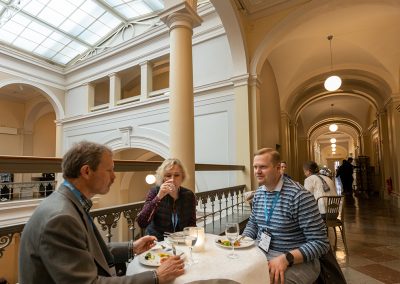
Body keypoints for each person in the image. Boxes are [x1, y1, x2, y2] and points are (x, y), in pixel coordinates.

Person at [19, 141, 184, 284]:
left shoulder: (69, 202)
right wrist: (156, 277)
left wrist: (131, 248)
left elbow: (87, 250)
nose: (114, 177)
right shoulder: (61, 218)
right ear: (86, 171)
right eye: (109, 170)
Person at [243, 148, 330, 284]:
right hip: (261, 253)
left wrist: (286, 258)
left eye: (263, 167)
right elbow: (253, 224)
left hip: (294, 259)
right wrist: (243, 240)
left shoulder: (299, 196)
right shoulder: (259, 194)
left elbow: (321, 243)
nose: (257, 171)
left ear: (278, 168)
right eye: (255, 167)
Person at [137, 158, 197, 241]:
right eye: (168, 175)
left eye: (176, 175)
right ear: (163, 178)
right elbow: (142, 222)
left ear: (182, 177)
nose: (172, 179)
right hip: (157, 243)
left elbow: (192, 224)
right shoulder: (155, 192)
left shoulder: (189, 195)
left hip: (180, 242)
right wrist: (159, 197)